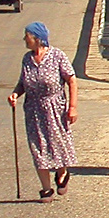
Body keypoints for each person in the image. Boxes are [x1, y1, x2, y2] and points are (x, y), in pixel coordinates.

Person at [8, 21, 78, 200]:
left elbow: (71, 80)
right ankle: (46, 189)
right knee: (37, 147)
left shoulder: (57, 56)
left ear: (37, 39)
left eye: (27, 36)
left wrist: (72, 107)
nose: (24, 39)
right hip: (33, 110)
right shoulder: (26, 59)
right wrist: (16, 94)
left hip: (56, 108)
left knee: (58, 143)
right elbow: (23, 83)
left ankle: (62, 172)